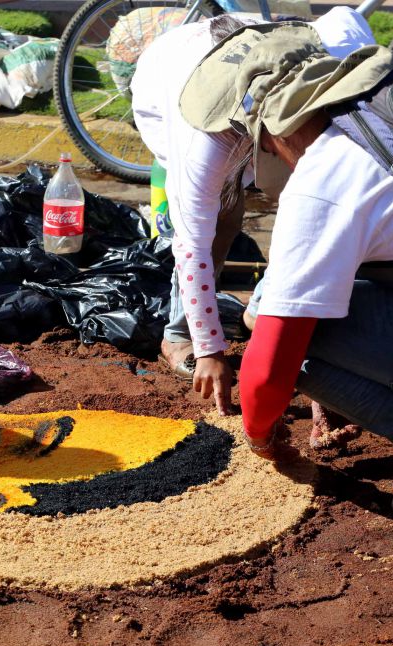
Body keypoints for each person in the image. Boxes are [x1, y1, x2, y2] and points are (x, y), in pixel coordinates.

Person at [179, 24, 393, 526]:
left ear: (272, 131)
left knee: (294, 339)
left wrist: (260, 432)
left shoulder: (325, 175)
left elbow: (270, 364)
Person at [130, 7, 375, 415]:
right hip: (170, 82)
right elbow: (190, 245)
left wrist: (283, 324)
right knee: (220, 221)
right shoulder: (203, 142)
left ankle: (263, 310)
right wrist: (209, 349)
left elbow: (346, 19)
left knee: (317, 201)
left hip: (252, 66)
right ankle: (178, 334)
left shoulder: (315, 63)